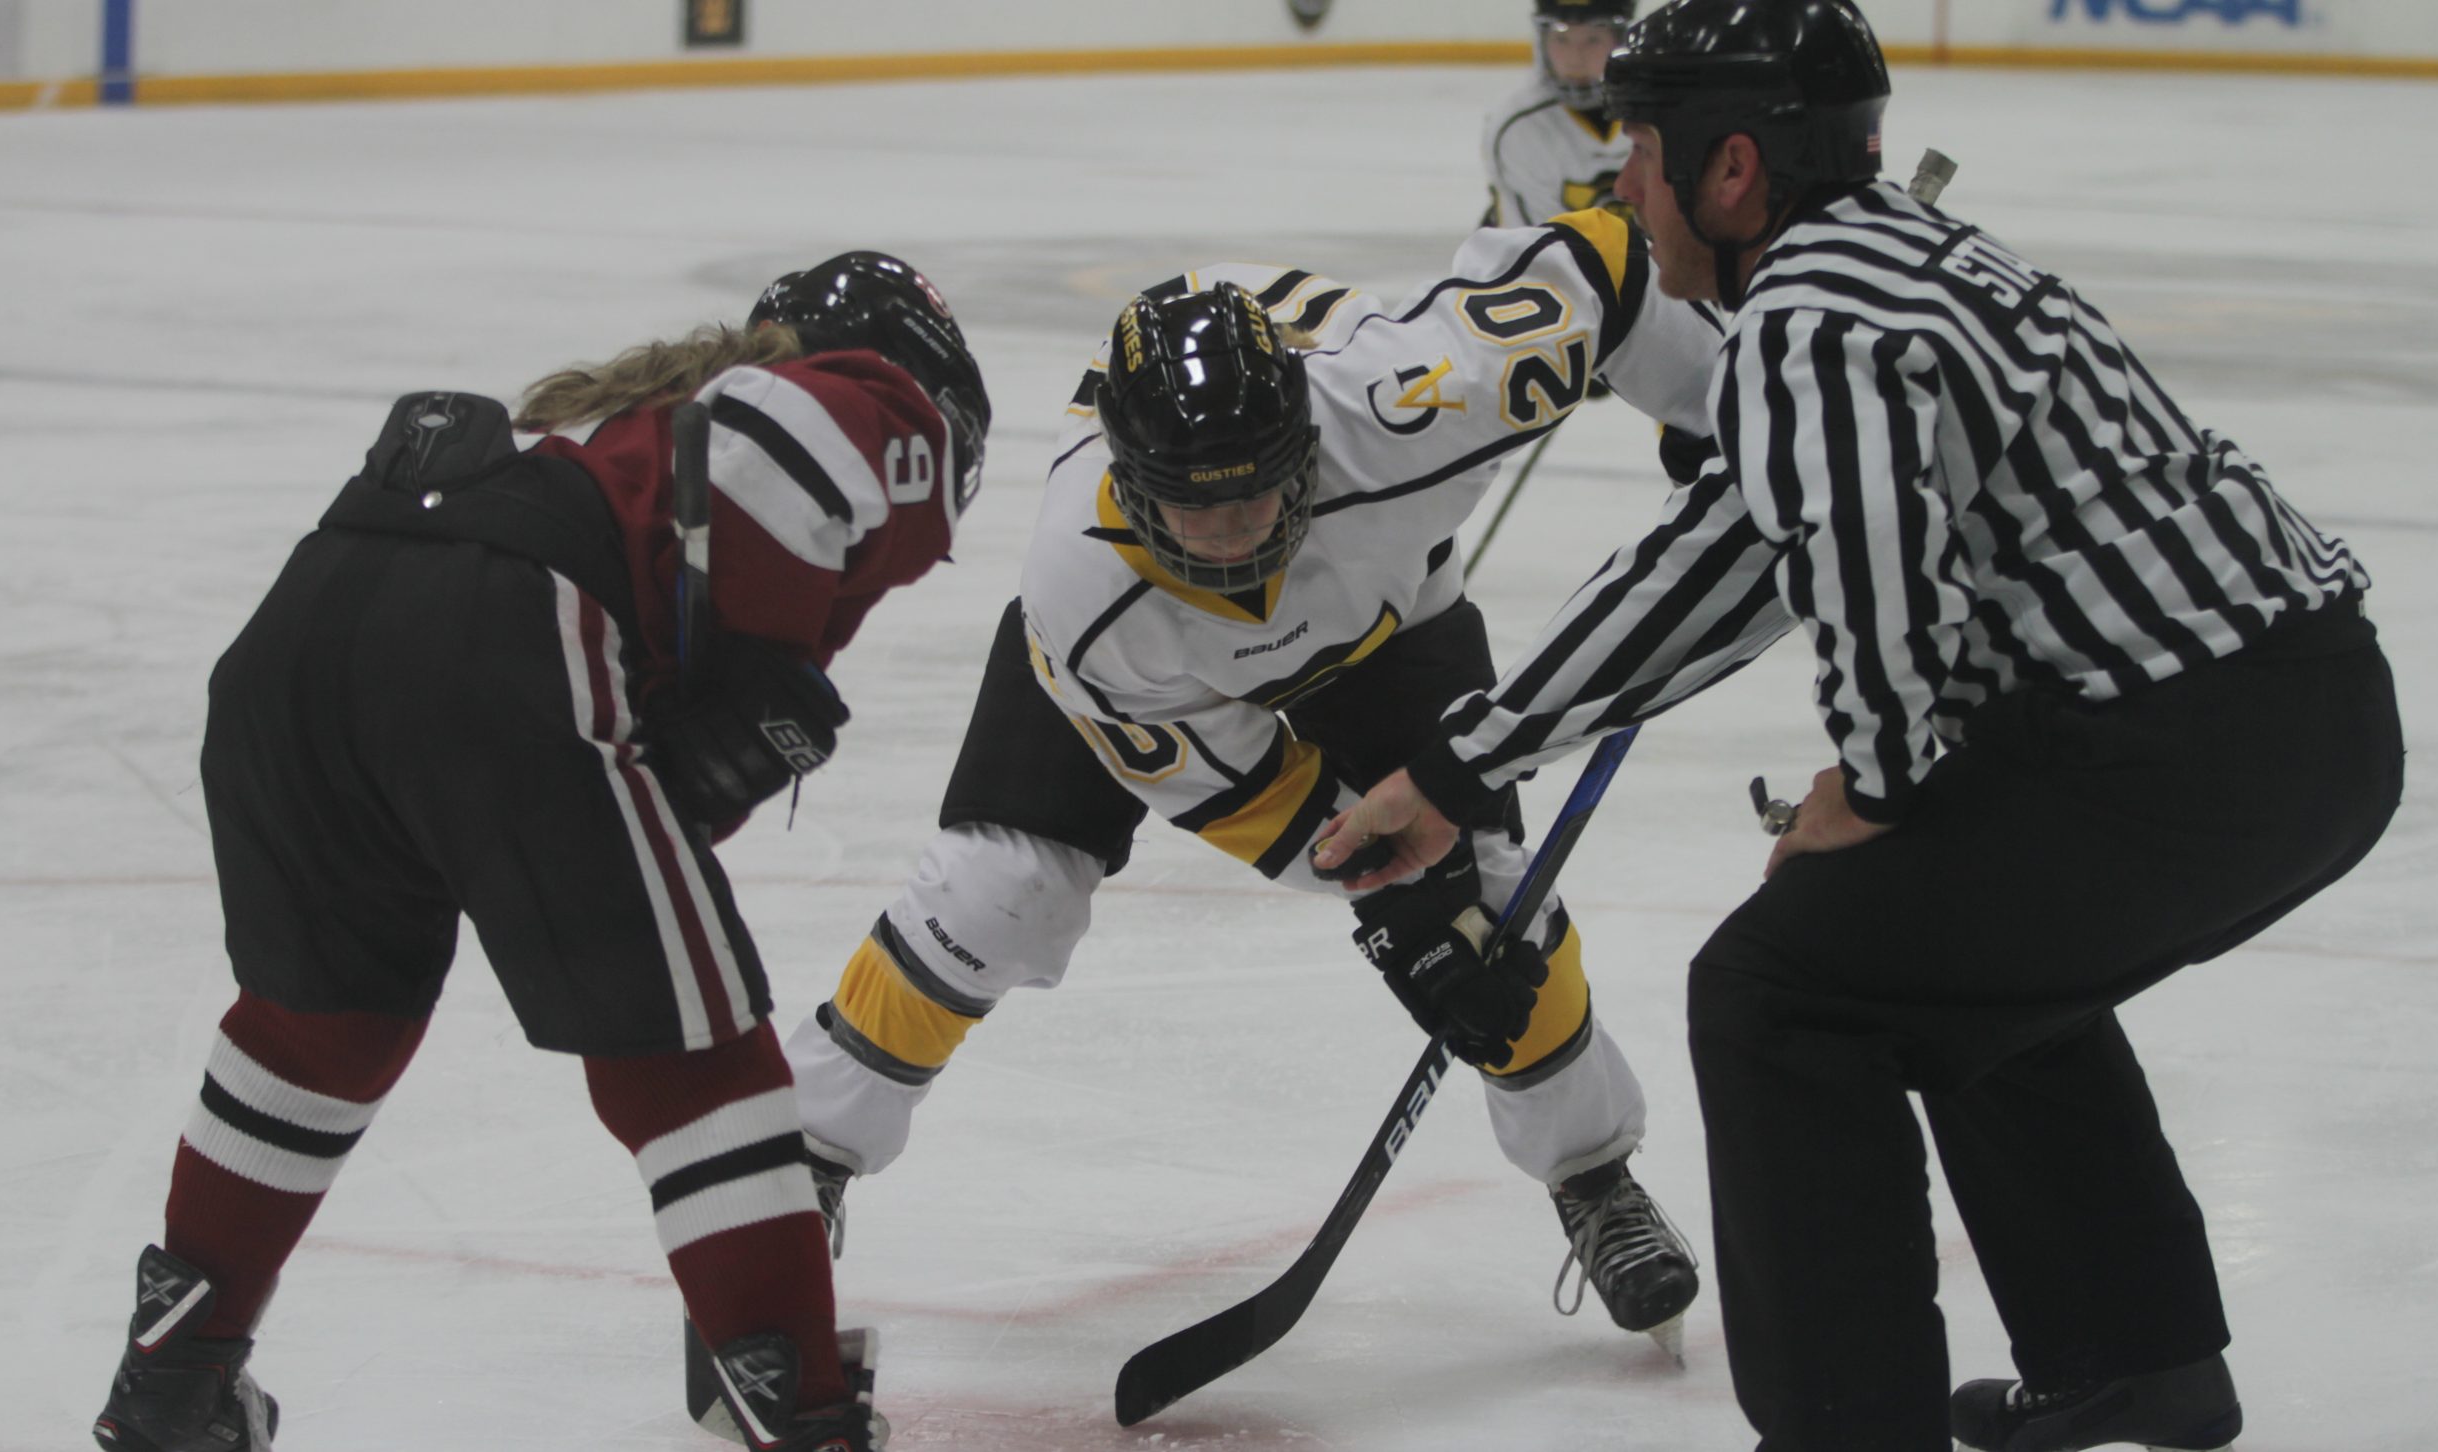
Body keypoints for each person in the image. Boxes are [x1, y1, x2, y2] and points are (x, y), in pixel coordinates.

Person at [1314, 4, 2406, 1451]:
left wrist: (1880, 786)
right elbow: (1732, 554)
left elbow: (1873, 582)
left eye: (1644, 150)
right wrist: (1462, 766)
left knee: (1786, 991)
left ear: (1735, 167)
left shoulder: (1815, 318)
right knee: (1950, 954)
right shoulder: (1887, 262)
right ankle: (2136, 1358)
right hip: (2298, 715)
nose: (1620, 185)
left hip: (2190, 747)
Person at [685, 217, 1731, 1427]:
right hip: (1147, 676)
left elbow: (1598, 263)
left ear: (1309, 449)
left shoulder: (1411, 411)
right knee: (996, 894)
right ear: (1132, 486)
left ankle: (1592, 1176)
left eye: (1258, 497)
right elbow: (1254, 797)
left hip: (1386, 625)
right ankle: (803, 1159)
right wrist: (1392, 901)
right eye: (1196, 508)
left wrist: (1711, 399)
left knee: (1496, 914)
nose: (1234, 537)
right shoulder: (1084, 593)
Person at [90, 252, 991, 1452]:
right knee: (693, 1056)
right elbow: (790, 442)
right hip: (496, 629)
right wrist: (765, 662)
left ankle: (173, 1382)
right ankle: (804, 1418)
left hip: (305, 633)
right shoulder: (874, 395)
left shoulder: (633, 440)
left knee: (317, 1029)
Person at [1482, 0, 1637, 228]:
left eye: (1593, 39)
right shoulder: (1519, 129)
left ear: (1619, 40)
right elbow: (1539, 249)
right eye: (1561, 38)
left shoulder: (1658, 113)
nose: (1575, 58)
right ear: (1542, 40)